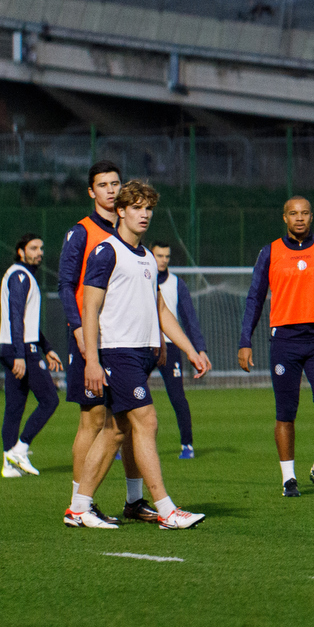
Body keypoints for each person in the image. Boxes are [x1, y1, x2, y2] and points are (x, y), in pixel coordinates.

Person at [69, 180, 209, 529]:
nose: (144, 214)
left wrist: (190, 349)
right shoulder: (106, 252)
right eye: (137, 208)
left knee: (116, 430)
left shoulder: (147, 257)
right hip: (118, 353)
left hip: (142, 354)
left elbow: (160, 310)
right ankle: (166, 510)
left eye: (149, 208)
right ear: (121, 211)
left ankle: (79, 507)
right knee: (147, 422)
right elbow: (90, 307)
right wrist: (92, 360)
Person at [238, 197, 314, 498]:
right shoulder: (270, 252)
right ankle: (288, 478)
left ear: (312, 217)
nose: (299, 218)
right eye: (293, 214)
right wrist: (245, 341)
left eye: (304, 213)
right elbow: (255, 298)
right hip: (285, 341)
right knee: (285, 412)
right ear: (284, 218)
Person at [57, 160, 153, 523]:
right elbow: (67, 285)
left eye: (115, 183)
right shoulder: (82, 232)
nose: (111, 190)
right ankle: (79, 503)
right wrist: (80, 330)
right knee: (94, 419)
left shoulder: (128, 231)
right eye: (103, 185)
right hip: (93, 337)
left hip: (126, 340)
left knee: (126, 418)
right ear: (91, 192)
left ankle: (134, 500)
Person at [0, 233, 63, 477]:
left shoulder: (19, 275)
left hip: (12, 347)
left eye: (41, 248)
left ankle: (9, 465)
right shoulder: (21, 275)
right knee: (50, 400)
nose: (39, 252)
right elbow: (16, 317)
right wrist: (20, 355)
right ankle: (20, 449)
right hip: (21, 349)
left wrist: (47, 348)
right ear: (21, 251)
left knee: (14, 408)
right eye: (33, 248)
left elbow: (25, 321)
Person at [152, 243, 208, 459]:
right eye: (159, 255)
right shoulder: (141, 278)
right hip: (144, 344)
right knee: (127, 396)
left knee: (177, 397)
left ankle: (187, 445)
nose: (163, 259)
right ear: (151, 254)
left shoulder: (177, 284)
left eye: (167, 256)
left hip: (171, 347)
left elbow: (189, 319)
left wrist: (199, 349)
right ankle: (119, 443)